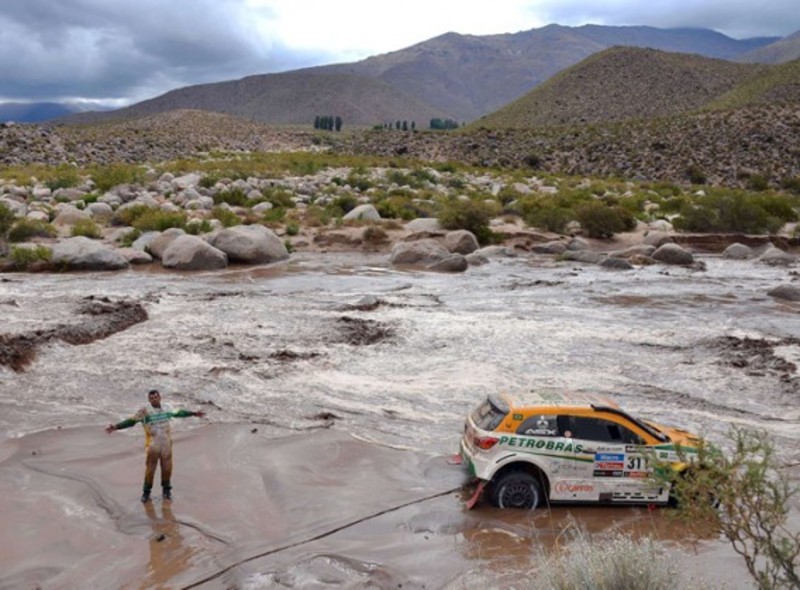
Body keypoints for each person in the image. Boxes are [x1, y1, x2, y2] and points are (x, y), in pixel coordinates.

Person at [106, 389, 205, 502]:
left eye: (156, 397)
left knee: (167, 468)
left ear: (160, 397)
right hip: (153, 446)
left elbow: (179, 413)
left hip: (166, 444)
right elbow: (131, 421)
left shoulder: (167, 408)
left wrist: (193, 413)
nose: (154, 399)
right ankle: (146, 493)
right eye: (151, 398)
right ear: (149, 400)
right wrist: (116, 427)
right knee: (150, 470)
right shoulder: (144, 412)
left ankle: (166, 491)